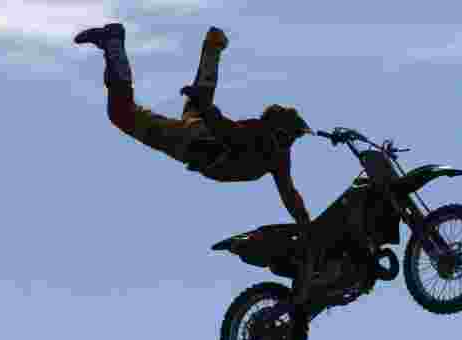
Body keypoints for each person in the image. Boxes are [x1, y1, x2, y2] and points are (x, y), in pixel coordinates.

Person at [73, 23, 312, 228]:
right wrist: (206, 108)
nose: (290, 145)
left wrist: (306, 224)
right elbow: (224, 129)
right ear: (277, 131)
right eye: (289, 138)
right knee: (122, 114)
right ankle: (113, 43)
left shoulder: (280, 155)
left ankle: (213, 45)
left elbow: (289, 193)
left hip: (198, 131)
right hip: (190, 139)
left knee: (198, 101)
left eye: (293, 140)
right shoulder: (261, 140)